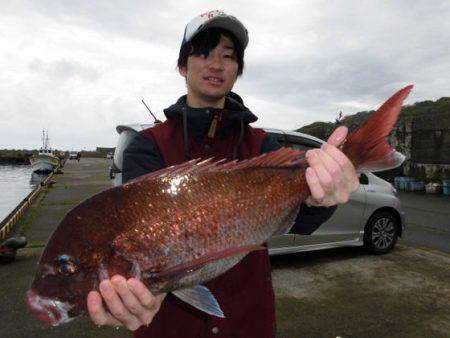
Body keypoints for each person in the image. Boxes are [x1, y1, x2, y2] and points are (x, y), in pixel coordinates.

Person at [87, 10, 359, 337]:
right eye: (202, 53)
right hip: (169, 327)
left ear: (237, 71)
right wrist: (128, 294)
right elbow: (132, 241)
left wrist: (324, 197)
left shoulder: (262, 145)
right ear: (182, 66)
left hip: (247, 320)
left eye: (228, 57)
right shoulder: (148, 147)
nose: (216, 64)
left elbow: (301, 222)